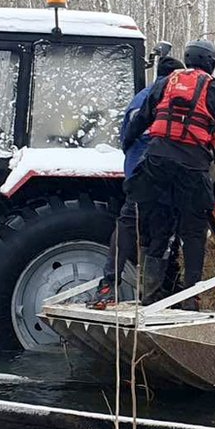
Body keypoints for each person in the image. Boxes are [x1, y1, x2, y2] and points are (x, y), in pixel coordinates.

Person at [122, 39, 215, 310]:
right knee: (193, 231)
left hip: (157, 161)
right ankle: (189, 298)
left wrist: (128, 146)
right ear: (212, 63)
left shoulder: (167, 82)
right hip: (192, 166)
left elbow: (141, 118)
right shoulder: (213, 87)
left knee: (148, 220)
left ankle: (138, 292)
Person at [88, 56, 185, 309]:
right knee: (160, 233)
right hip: (161, 177)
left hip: (135, 176)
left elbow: (125, 138)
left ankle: (108, 285)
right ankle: (150, 295)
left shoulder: (139, 98)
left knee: (129, 226)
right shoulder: (172, 100)